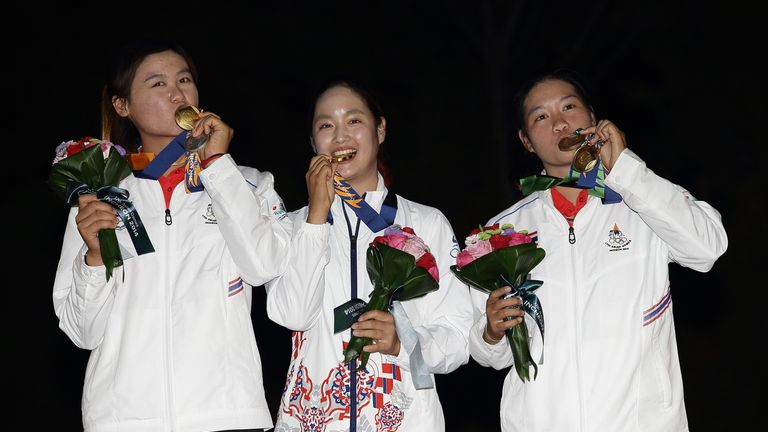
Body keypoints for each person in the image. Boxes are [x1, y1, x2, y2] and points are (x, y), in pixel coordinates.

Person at [468, 69, 728, 431]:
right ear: (526, 140)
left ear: (593, 117)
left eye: (568, 107)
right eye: (541, 117)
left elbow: (708, 247)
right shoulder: (501, 233)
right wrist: (491, 334)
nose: (559, 123)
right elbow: (491, 355)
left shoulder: (642, 199)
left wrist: (627, 170)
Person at [52, 39, 291, 432]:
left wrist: (218, 166)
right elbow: (82, 332)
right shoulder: (98, 196)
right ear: (122, 105)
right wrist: (94, 257)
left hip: (226, 414)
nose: (177, 93)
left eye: (184, 80)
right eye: (157, 83)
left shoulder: (247, 183)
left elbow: (263, 267)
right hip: (124, 420)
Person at [265, 81, 473, 431]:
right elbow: (294, 315)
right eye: (326, 125)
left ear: (380, 130)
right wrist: (316, 217)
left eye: (354, 121)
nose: (340, 136)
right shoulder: (289, 226)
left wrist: (403, 342)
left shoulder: (427, 223)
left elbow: (459, 337)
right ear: (313, 143)